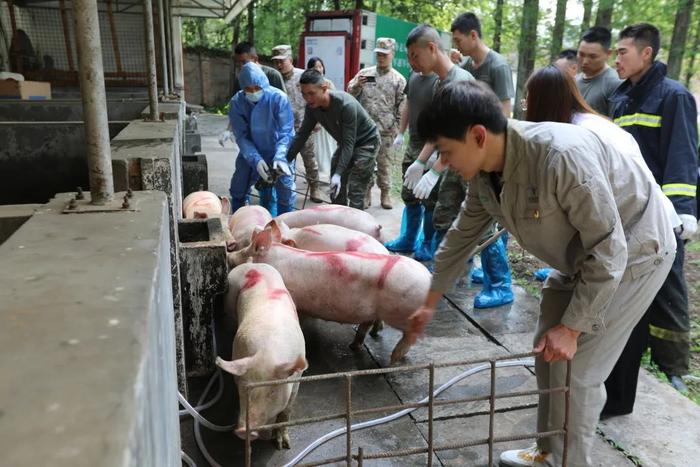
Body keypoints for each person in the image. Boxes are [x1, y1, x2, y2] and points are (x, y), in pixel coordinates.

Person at [408, 79, 676, 467]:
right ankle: (549, 454)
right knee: (546, 351)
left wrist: (572, 328)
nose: (444, 163)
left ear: (478, 135)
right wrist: (428, 303)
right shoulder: (486, 175)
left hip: (635, 251)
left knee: (576, 369)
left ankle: (569, 462)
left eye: (447, 152)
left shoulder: (559, 156)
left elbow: (608, 246)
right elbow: (461, 236)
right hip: (583, 254)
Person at [605, 23, 698, 408]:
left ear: (647, 53)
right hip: (629, 211)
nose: (617, 58)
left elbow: (683, 154)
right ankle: (630, 354)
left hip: (665, 213)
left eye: (623, 51)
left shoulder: (673, 96)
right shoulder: (621, 97)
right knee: (629, 284)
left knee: (669, 287)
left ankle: (673, 367)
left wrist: (684, 212)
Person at [446, 11, 515, 308]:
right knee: (472, 212)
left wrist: (488, 156)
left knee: (490, 216)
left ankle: (501, 284)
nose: (457, 44)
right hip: (471, 149)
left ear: (473, 35)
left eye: (459, 39)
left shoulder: (497, 66)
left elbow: (505, 113)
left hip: (493, 153)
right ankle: (480, 271)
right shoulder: (465, 65)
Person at [388, 24, 473, 265]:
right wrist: (421, 161)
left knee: (471, 218)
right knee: (444, 214)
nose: (412, 61)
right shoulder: (441, 83)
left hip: (469, 162)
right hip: (449, 158)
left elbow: (457, 135)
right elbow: (439, 129)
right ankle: (448, 267)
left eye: (415, 55)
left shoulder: (459, 81)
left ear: (432, 48)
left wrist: (435, 167)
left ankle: (494, 282)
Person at [286, 69, 379, 210]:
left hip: (366, 142)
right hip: (345, 142)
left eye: (311, 93)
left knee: (355, 189)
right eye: (304, 94)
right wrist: (285, 160)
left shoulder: (345, 105)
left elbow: (349, 144)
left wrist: (338, 174)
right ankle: (338, 220)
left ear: (324, 88)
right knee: (335, 189)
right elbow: (302, 135)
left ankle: (356, 226)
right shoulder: (312, 108)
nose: (307, 98)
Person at [228, 63, 296, 215]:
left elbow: (286, 132)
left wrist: (280, 157)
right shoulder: (237, 103)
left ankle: (284, 224)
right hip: (251, 150)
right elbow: (241, 136)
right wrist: (256, 160)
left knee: (285, 189)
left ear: (264, 84)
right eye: (248, 89)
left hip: (278, 149)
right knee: (239, 185)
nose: (253, 92)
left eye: (257, 88)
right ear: (242, 88)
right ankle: (240, 219)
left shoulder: (278, 98)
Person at [348, 38, 406, 209]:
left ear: (392, 55)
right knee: (365, 163)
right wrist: (357, 85)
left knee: (384, 164)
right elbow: (350, 92)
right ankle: (366, 193)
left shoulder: (398, 80)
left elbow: (401, 107)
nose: (381, 57)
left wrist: (397, 129)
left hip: (386, 130)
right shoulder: (365, 74)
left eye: (384, 54)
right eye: (378, 54)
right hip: (365, 129)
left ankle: (385, 193)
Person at [271, 44, 323, 203]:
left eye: (282, 61)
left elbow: (317, 97)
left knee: (309, 159)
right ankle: (284, 188)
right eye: (276, 62)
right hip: (282, 129)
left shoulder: (303, 76)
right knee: (283, 159)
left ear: (290, 60)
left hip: (304, 126)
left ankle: (315, 187)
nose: (279, 65)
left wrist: (317, 120)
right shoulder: (273, 78)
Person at [219, 42, 286, 147]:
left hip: (274, 133)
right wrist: (229, 129)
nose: (241, 66)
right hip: (252, 132)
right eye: (238, 63)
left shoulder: (272, 75)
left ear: (255, 58)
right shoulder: (241, 79)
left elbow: (284, 108)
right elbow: (238, 108)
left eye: (244, 62)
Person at [576, 27, 623, 116]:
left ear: (608, 53)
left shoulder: (615, 83)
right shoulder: (574, 81)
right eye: (581, 54)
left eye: (592, 57)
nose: (585, 61)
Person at [306, 56, 337, 184]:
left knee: (329, 149)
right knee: (315, 151)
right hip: (314, 122)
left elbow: (334, 102)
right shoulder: (307, 86)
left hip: (326, 123)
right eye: (315, 67)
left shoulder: (328, 83)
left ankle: (331, 174)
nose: (319, 69)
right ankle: (315, 176)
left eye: (320, 66)